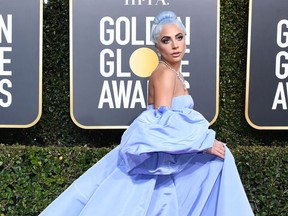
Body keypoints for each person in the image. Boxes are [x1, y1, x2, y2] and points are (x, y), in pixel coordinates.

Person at [40, 11, 254, 216]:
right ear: (157, 46)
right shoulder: (164, 74)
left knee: (216, 167)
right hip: (159, 159)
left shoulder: (172, 73)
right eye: (166, 40)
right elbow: (161, 122)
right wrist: (204, 142)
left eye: (179, 37)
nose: (175, 45)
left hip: (170, 153)